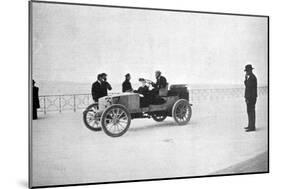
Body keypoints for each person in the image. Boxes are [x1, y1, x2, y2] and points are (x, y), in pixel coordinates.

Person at [244, 64, 258, 132]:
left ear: (250, 70)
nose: (246, 72)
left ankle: (252, 127)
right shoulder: (250, 78)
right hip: (249, 98)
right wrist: (246, 79)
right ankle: (250, 126)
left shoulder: (252, 78)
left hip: (251, 98)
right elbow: (247, 86)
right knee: (249, 112)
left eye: (247, 71)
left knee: (251, 112)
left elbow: (251, 90)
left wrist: (249, 99)